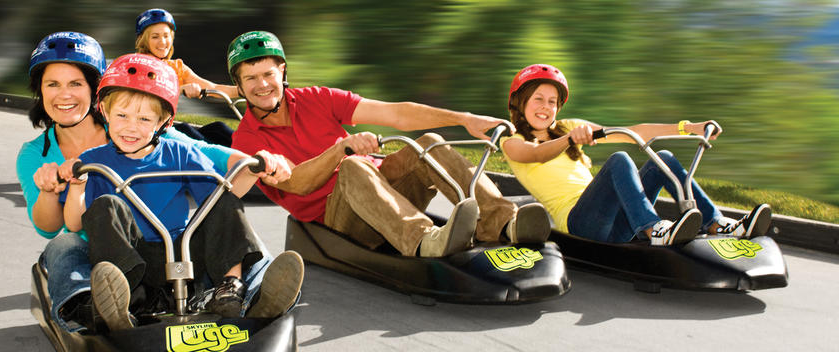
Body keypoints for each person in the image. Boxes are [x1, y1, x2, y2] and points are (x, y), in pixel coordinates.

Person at [227, 31, 552, 258]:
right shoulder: (246, 140)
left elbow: (396, 114)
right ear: (238, 85)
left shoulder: (316, 98)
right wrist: (342, 149)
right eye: (251, 78)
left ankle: (505, 221)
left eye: (268, 74)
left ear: (282, 71)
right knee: (352, 165)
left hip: (383, 188)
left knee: (430, 144)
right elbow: (295, 183)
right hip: (341, 222)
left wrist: (463, 118)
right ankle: (425, 241)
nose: (262, 85)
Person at [59, 54, 303, 330]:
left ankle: (230, 288)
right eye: (122, 115)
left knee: (222, 200)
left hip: (183, 255)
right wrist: (78, 185)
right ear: (104, 111)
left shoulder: (180, 152)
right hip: (133, 264)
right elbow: (73, 224)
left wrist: (254, 169)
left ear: (163, 121)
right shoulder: (93, 161)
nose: (131, 126)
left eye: (144, 118)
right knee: (106, 206)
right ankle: (123, 299)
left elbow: (222, 199)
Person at [499, 64, 773, 246]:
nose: (546, 107)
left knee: (663, 157)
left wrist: (688, 127)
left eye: (552, 102)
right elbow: (535, 154)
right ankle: (654, 229)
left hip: (618, 223)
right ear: (520, 102)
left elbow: (632, 131)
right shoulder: (513, 142)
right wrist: (569, 139)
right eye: (538, 99)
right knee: (619, 160)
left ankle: (717, 223)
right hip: (581, 225)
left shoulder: (568, 127)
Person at [14, 31, 108, 333]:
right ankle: (84, 307)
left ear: (94, 89)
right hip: (85, 249)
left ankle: (245, 289)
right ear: (40, 91)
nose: (63, 95)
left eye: (75, 84)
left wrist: (250, 161)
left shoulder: (129, 126)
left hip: (149, 238)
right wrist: (48, 192)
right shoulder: (33, 154)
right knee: (63, 244)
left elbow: (199, 151)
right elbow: (47, 227)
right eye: (52, 84)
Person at [134, 8, 256, 180]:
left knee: (219, 129)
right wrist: (180, 89)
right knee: (194, 137)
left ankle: (254, 158)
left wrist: (247, 89)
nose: (163, 41)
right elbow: (144, 96)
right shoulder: (136, 66)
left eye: (166, 35)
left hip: (170, 127)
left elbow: (213, 87)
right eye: (155, 37)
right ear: (144, 40)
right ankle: (228, 173)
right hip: (154, 133)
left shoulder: (176, 67)